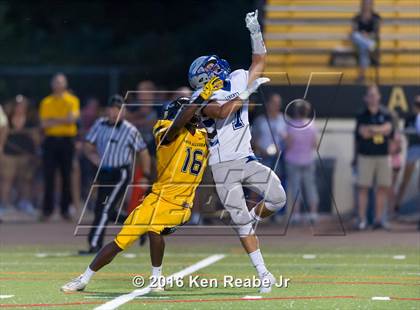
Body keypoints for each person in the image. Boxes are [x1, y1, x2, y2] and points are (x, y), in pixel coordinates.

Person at [60, 77, 223, 292]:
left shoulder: (203, 135)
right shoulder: (165, 130)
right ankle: (84, 278)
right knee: (120, 241)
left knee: (155, 230)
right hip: (157, 197)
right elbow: (179, 124)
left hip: (181, 203)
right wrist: (201, 98)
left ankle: (156, 280)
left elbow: (216, 119)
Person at [189, 10, 285, 293]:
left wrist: (255, 32)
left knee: (278, 198)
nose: (216, 66)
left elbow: (259, 61)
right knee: (241, 223)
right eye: (210, 67)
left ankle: (252, 218)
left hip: (245, 157)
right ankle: (263, 273)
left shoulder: (239, 78)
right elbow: (220, 111)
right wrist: (246, 93)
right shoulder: (201, 98)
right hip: (221, 164)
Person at [79, 95, 152, 254]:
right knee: (105, 210)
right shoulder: (100, 124)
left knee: (105, 210)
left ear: (123, 111)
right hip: (104, 172)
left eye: (118, 110)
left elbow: (143, 151)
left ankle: (94, 244)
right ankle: (139, 227)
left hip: (121, 174)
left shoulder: (130, 130)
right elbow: (87, 144)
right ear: (107, 110)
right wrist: (94, 158)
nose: (114, 113)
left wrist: (145, 174)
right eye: (111, 109)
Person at [39, 73, 80, 221]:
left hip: (67, 141)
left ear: (66, 84)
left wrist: (53, 120)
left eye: (61, 82)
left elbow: (72, 119)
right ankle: (47, 210)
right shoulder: (46, 102)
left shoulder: (73, 100)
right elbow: (44, 124)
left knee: (67, 175)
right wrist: (63, 120)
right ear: (52, 85)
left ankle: (65, 209)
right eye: (56, 82)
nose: (58, 85)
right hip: (50, 141)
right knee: (49, 175)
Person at [355, 85, 393, 230]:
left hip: (383, 156)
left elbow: (388, 129)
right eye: (370, 95)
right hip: (366, 155)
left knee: (382, 188)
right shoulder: (361, 114)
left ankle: (379, 220)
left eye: (375, 95)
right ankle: (362, 220)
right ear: (366, 98)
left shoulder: (386, 113)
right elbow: (362, 133)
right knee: (363, 188)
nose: (373, 98)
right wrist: (380, 129)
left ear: (379, 97)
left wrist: (372, 129)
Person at [0, 95, 39, 216]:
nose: (19, 107)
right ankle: (4, 204)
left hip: (26, 154)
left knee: (26, 179)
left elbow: (36, 137)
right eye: (17, 105)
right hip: (9, 154)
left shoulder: (31, 119)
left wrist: (35, 151)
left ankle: (25, 202)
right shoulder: (7, 117)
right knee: (7, 179)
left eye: (22, 105)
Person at [285, 99, 319, 224]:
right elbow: (315, 144)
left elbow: (288, 144)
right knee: (310, 186)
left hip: (293, 160)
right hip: (308, 160)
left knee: (295, 187)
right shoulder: (312, 125)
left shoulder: (291, 126)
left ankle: (296, 215)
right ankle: (313, 213)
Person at [394, 96, 420, 211]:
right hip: (413, 149)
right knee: (405, 179)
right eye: (417, 104)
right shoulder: (409, 119)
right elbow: (406, 134)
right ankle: (396, 205)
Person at [252, 93, 287, 174]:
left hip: (278, 159)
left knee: (276, 182)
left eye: (278, 103)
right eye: (274, 103)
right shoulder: (260, 121)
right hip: (262, 157)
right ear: (268, 104)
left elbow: (288, 139)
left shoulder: (284, 120)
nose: (277, 106)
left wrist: (281, 149)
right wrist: (261, 150)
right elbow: (253, 139)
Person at [350, 0, 381, 83]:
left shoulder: (376, 17)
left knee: (363, 50)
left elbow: (376, 33)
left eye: (368, 3)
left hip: (371, 39)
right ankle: (368, 45)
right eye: (365, 3)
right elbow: (354, 31)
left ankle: (361, 76)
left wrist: (368, 35)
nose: (367, 5)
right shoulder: (357, 17)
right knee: (355, 36)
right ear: (362, 5)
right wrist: (362, 35)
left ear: (372, 5)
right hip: (361, 42)